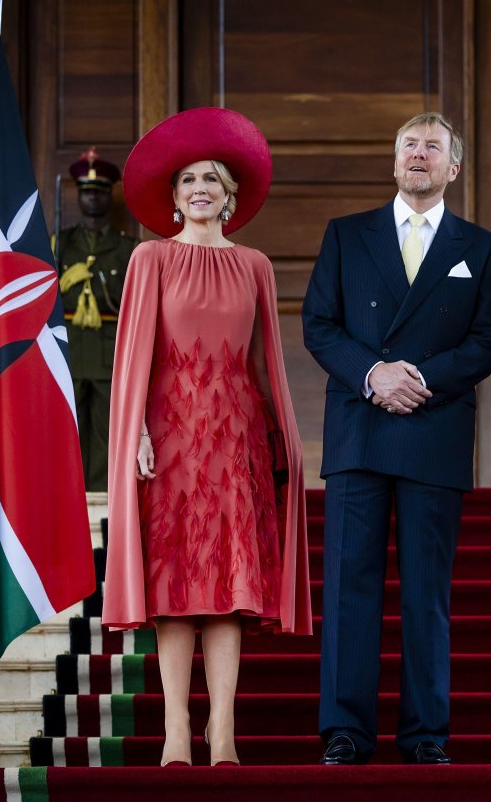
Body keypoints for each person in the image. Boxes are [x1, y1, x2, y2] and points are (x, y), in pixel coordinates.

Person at [102, 108, 312, 767]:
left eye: (211, 180)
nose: (199, 188)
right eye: (188, 179)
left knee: (229, 590)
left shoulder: (255, 265)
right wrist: (134, 430)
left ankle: (222, 731)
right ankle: (173, 731)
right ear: (173, 196)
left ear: (230, 195)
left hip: (235, 440)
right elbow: (134, 352)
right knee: (175, 592)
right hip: (168, 439)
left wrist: (281, 442)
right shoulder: (150, 257)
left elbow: (265, 363)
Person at [303, 112, 491, 766]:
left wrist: (418, 376)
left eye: (433, 147)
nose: (419, 155)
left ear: (453, 168)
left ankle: (425, 736)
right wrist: (373, 374)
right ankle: (345, 731)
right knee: (348, 590)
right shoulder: (346, 235)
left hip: (433, 431)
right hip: (360, 431)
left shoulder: (479, 247)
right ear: (395, 162)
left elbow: (487, 340)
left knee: (427, 596)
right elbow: (319, 324)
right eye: (409, 146)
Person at [56, 148, 138, 490]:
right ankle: (69, 494)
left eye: (99, 193)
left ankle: (103, 500)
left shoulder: (128, 248)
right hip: (71, 348)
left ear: (108, 196)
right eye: (87, 192)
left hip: (109, 348)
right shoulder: (59, 243)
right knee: (68, 427)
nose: (92, 199)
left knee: (108, 431)